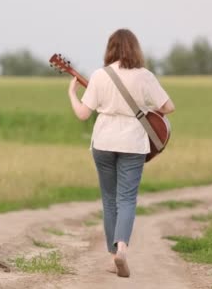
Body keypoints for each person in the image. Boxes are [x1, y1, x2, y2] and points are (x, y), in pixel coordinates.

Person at [67, 29, 175, 277]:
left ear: (110, 48)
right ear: (135, 49)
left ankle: (111, 253)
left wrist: (72, 94)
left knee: (109, 200)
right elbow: (168, 107)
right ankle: (123, 248)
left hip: (103, 143)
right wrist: (144, 107)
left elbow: (83, 114)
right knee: (126, 198)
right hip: (133, 144)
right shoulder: (145, 76)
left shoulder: (99, 75)